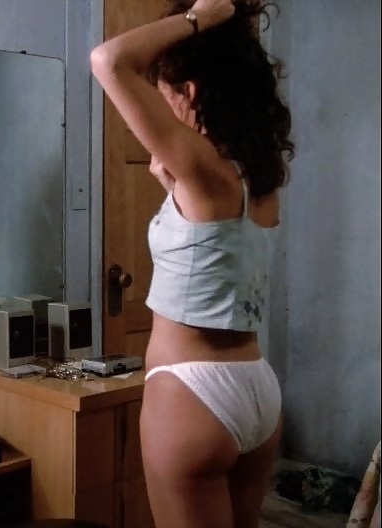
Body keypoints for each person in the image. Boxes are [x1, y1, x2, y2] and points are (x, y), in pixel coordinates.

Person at [91, 0, 294, 526]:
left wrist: (197, 17)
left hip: (191, 393)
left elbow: (109, 60)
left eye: (163, 93)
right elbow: (215, 247)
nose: (159, 107)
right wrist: (172, 190)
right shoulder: (256, 177)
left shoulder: (203, 170)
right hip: (257, 387)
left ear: (191, 92)